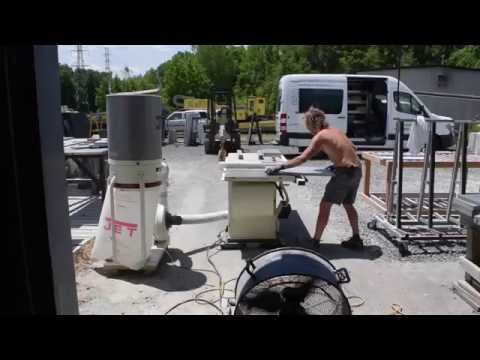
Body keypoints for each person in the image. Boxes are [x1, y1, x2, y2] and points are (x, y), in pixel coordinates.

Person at [266, 106, 364, 250]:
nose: (309, 130)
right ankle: (356, 238)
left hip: (344, 173)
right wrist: (337, 162)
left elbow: (302, 158)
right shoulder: (335, 131)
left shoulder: (321, 136)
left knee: (325, 205)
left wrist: (281, 167)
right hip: (356, 169)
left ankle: (315, 242)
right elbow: (352, 148)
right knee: (348, 204)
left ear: (312, 124)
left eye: (308, 126)